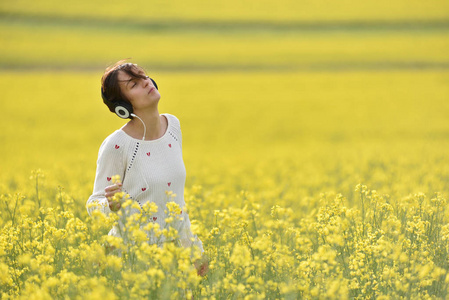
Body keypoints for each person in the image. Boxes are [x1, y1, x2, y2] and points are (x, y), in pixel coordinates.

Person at [86, 60, 209, 277]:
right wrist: (110, 205)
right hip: (135, 258)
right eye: (133, 84)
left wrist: (195, 250)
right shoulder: (117, 145)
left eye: (143, 76)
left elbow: (176, 203)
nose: (145, 82)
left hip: (176, 256)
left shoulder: (173, 126)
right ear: (123, 107)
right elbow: (94, 205)